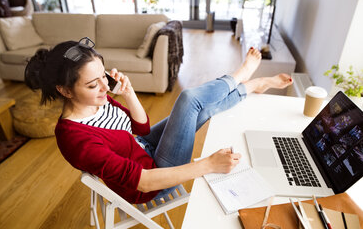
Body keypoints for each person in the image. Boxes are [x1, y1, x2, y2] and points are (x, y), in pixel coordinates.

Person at [24, 37, 293, 204]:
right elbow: (143, 182)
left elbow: (139, 128)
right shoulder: (75, 138)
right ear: (65, 90)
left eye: (103, 77)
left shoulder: (97, 99)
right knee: (189, 100)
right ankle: (239, 76)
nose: (104, 88)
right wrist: (208, 165)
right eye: (93, 85)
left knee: (199, 110)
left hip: (142, 147)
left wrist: (128, 93)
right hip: (152, 181)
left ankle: (250, 85)